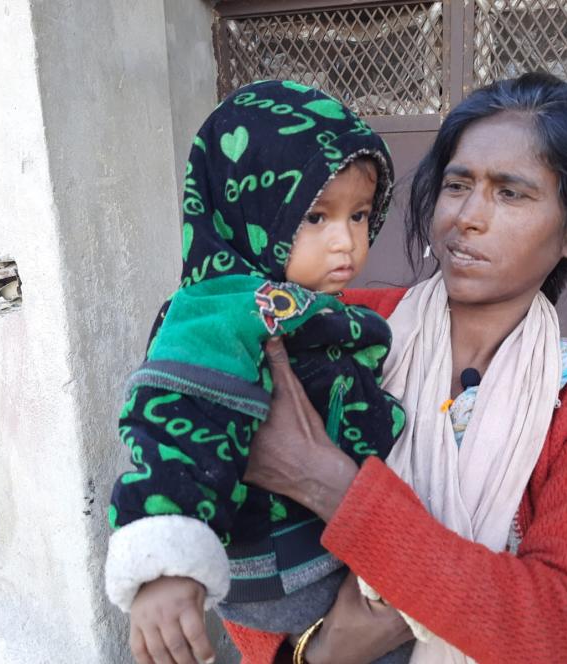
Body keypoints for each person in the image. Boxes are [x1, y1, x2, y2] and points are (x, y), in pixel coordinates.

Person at [229, 72, 567, 663]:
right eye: (458, 185)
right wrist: (311, 652)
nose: (466, 217)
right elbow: (242, 517)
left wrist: (332, 486)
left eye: (510, 193)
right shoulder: (341, 329)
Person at [103, 80, 412, 664]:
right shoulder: (221, 306)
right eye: (315, 216)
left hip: (328, 555)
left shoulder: (303, 301)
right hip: (289, 567)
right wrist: (168, 566)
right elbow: (179, 414)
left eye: (360, 215)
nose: (346, 240)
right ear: (248, 209)